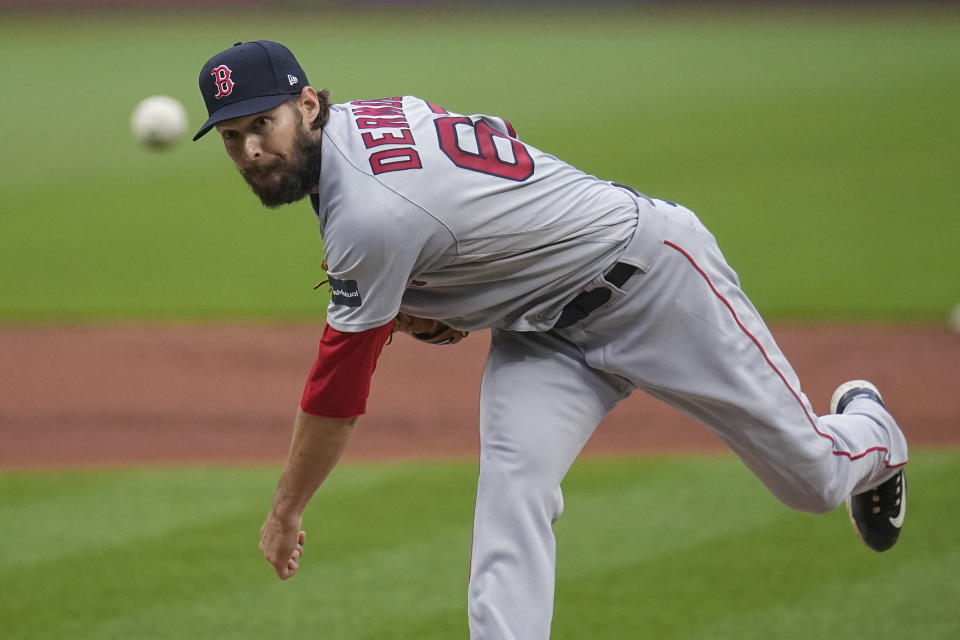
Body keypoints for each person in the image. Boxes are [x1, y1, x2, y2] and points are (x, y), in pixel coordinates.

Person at [194, 41, 908, 639]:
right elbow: (484, 148)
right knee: (513, 492)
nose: (253, 149)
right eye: (232, 138)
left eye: (264, 124)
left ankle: (874, 429)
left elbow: (338, 393)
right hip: (543, 334)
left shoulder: (368, 219)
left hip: (655, 281)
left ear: (309, 105)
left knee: (812, 480)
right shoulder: (370, 121)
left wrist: (287, 509)